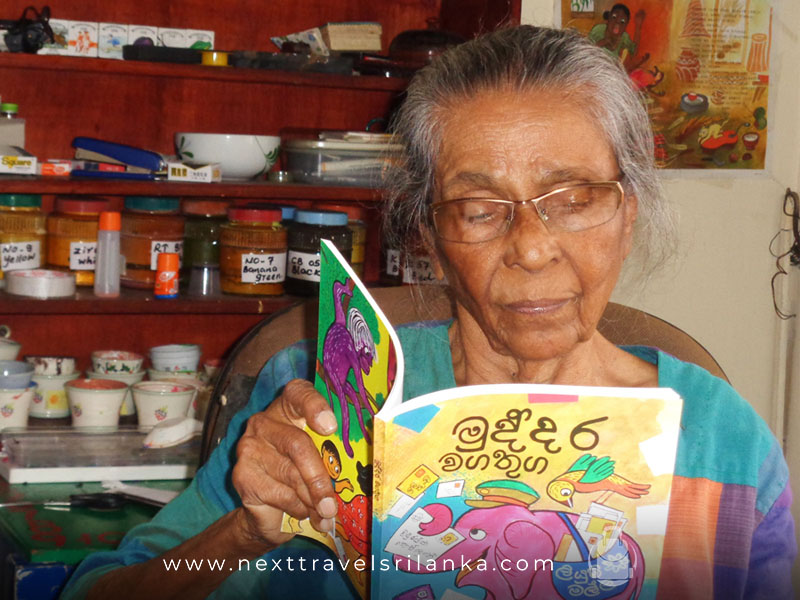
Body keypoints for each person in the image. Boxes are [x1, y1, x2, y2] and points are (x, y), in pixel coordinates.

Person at [61, 25, 795, 599]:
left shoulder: (721, 441)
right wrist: (245, 531)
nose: (532, 249)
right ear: (429, 235)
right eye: (480, 210)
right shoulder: (321, 395)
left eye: (572, 201)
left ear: (626, 214)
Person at [588, 3, 649, 71]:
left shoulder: (624, 37)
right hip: (592, 68)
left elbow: (633, 51)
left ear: (626, 25)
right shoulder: (598, 30)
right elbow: (587, 51)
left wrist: (638, 26)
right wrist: (603, 42)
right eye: (614, 17)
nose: (617, 23)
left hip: (609, 72)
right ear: (608, 18)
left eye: (622, 21)